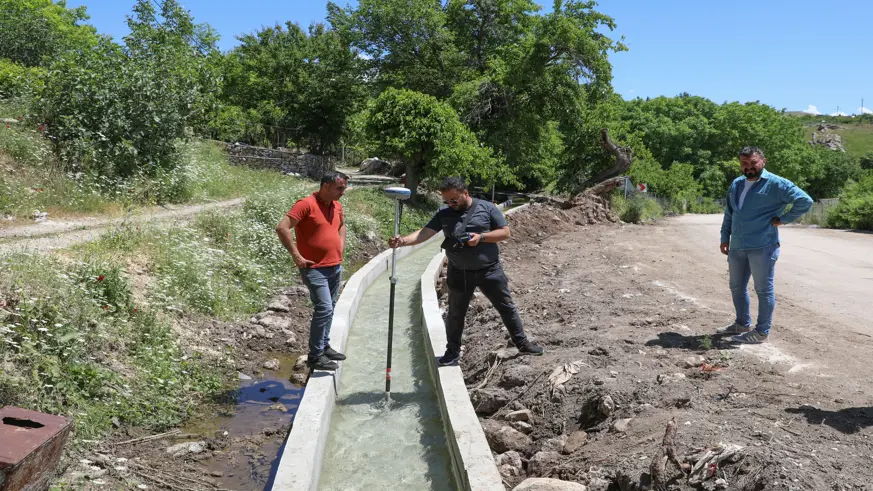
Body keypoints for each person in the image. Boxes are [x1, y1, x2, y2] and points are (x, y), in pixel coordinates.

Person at [388, 176, 544, 365]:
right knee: (455, 314)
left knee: (506, 307)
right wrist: (403, 241)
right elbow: (425, 232)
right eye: (446, 201)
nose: (450, 204)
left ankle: (522, 343)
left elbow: (505, 232)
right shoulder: (443, 214)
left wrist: (481, 237)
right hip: (459, 272)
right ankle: (452, 352)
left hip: (489, 271)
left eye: (454, 200)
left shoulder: (487, 208)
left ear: (465, 193)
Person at [717, 146, 812, 344]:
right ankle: (742, 323)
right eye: (744, 163)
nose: (749, 167)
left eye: (753, 163)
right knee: (736, 287)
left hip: (762, 246)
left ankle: (761, 332)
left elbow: (805, 201)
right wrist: (725, 237)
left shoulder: (777, 184)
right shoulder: (737, 184)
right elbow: (730, 213)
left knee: (763, 290)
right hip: (737, 246)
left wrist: (783, 219)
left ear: (763, 161)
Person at [276, 171, 349, 370]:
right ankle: (315, 355)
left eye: (344, 188)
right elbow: (282, 227)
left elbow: (341, 226)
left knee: (330, 307)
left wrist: (340, 245)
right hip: (314, 268)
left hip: (334, 266)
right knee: (324, 308)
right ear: (325, 186)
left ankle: (324, 346)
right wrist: (296, 255)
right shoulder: (306, 204)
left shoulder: (337, 206)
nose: (343, 192)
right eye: (339, 188)